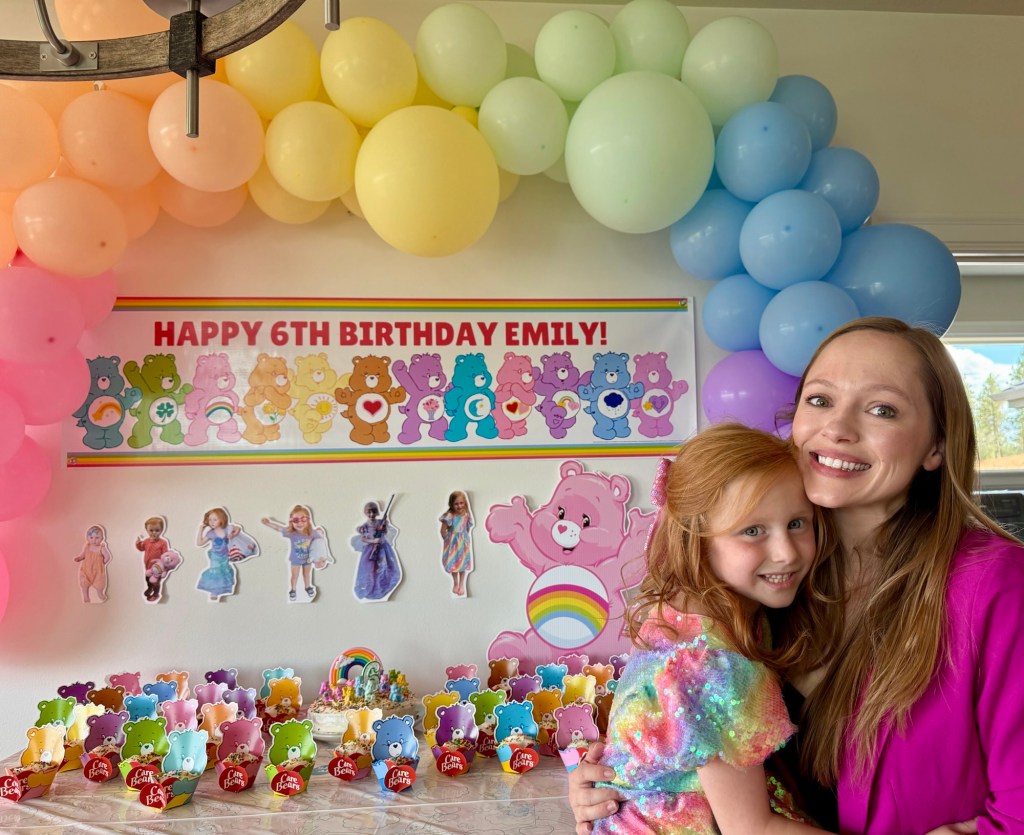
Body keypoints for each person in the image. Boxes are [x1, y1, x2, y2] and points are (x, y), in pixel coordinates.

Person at [569, 317, 1024, 835]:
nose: (838, 427)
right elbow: (685, 743)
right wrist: (617, 785)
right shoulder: (768, 581)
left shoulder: (995, 585)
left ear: (936, 446)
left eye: (882, 409)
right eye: (820, 400)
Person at [592, 423, 833, 834]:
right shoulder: (712, 666)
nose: (786, 553)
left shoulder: (683, 615)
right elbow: (752, 830)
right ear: (698, 540)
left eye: (797, 523)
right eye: (752, 531)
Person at [262, 505, 323, 602]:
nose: (300, 523)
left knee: (307, 575)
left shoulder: (312, 533)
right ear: (291, 521)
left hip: (308, 559)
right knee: (294, 576)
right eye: (296, 520)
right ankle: (293, 590)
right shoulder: (292, 532)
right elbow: (279, 528)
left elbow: (320, 544)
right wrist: (268, 523)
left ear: (308, 520)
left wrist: (320, 533)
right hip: (295, 559)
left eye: (303, 520)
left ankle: (307, 587)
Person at [351, 500, 402, 601]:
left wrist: (384, 527)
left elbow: (385, 532)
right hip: (370, 550)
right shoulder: (365, 526)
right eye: (369, 512)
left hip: (383, 548)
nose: (371, 514)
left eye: (374, 511)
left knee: (383, 567)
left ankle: (381, 586)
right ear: (365, 513)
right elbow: (363, 539)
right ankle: (371, 588)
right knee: (370, 569)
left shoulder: (380, 522)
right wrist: (373, 541)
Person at [196, 507, 240, 601]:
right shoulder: (211, 533)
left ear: (221, 519)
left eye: (215, 519)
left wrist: (233, 534)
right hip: (215, 556)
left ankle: (223, 589)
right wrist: (200, 529)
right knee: (215, 572)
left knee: (224, 571)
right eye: (210, 520)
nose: (212, 522)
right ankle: (214, 592)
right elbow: (199, 543)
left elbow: (238, 528)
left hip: (225, 555)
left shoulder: (227, 529)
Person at [439, 490, 474, 597]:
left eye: (461, 503)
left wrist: (465, 540)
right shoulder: (450, 516)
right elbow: (443, 531)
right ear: (451, 504)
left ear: (465, 502)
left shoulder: (466, 515)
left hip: (463, 544)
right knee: (454, 562)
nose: (459, 506)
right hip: (453, 544)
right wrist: (448, 541)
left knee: (463, 563)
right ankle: (455, 583)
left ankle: (462, 584)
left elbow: (467, 529)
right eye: (456, 504)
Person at [74, 525, 112, 603]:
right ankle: (85, 596)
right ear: (87, 538)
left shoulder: (101, 548)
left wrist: (102, 563)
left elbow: (108, 557)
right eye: (91, 537)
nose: (94, 540)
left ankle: (100, 593)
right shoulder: (87, 546)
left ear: (102, 538)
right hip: (86, 569)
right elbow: (83, 555)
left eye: (97, 538)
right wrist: (79, 558)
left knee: (100, 583)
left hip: (98, 571)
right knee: (84, 582)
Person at [136, 515, 169, 602]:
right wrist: (138, 544)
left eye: (157, 530)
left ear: (162, 530)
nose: (154, 532)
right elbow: (141, 549)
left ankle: (156, 593)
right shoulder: (146, 541)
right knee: (147, 579)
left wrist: (165, 565)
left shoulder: (163, 542)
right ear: (147, 530)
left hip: (158, 567)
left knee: (156, 581)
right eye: (151, 530)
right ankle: (149, 588)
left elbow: (165, 554)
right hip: (147, 566)